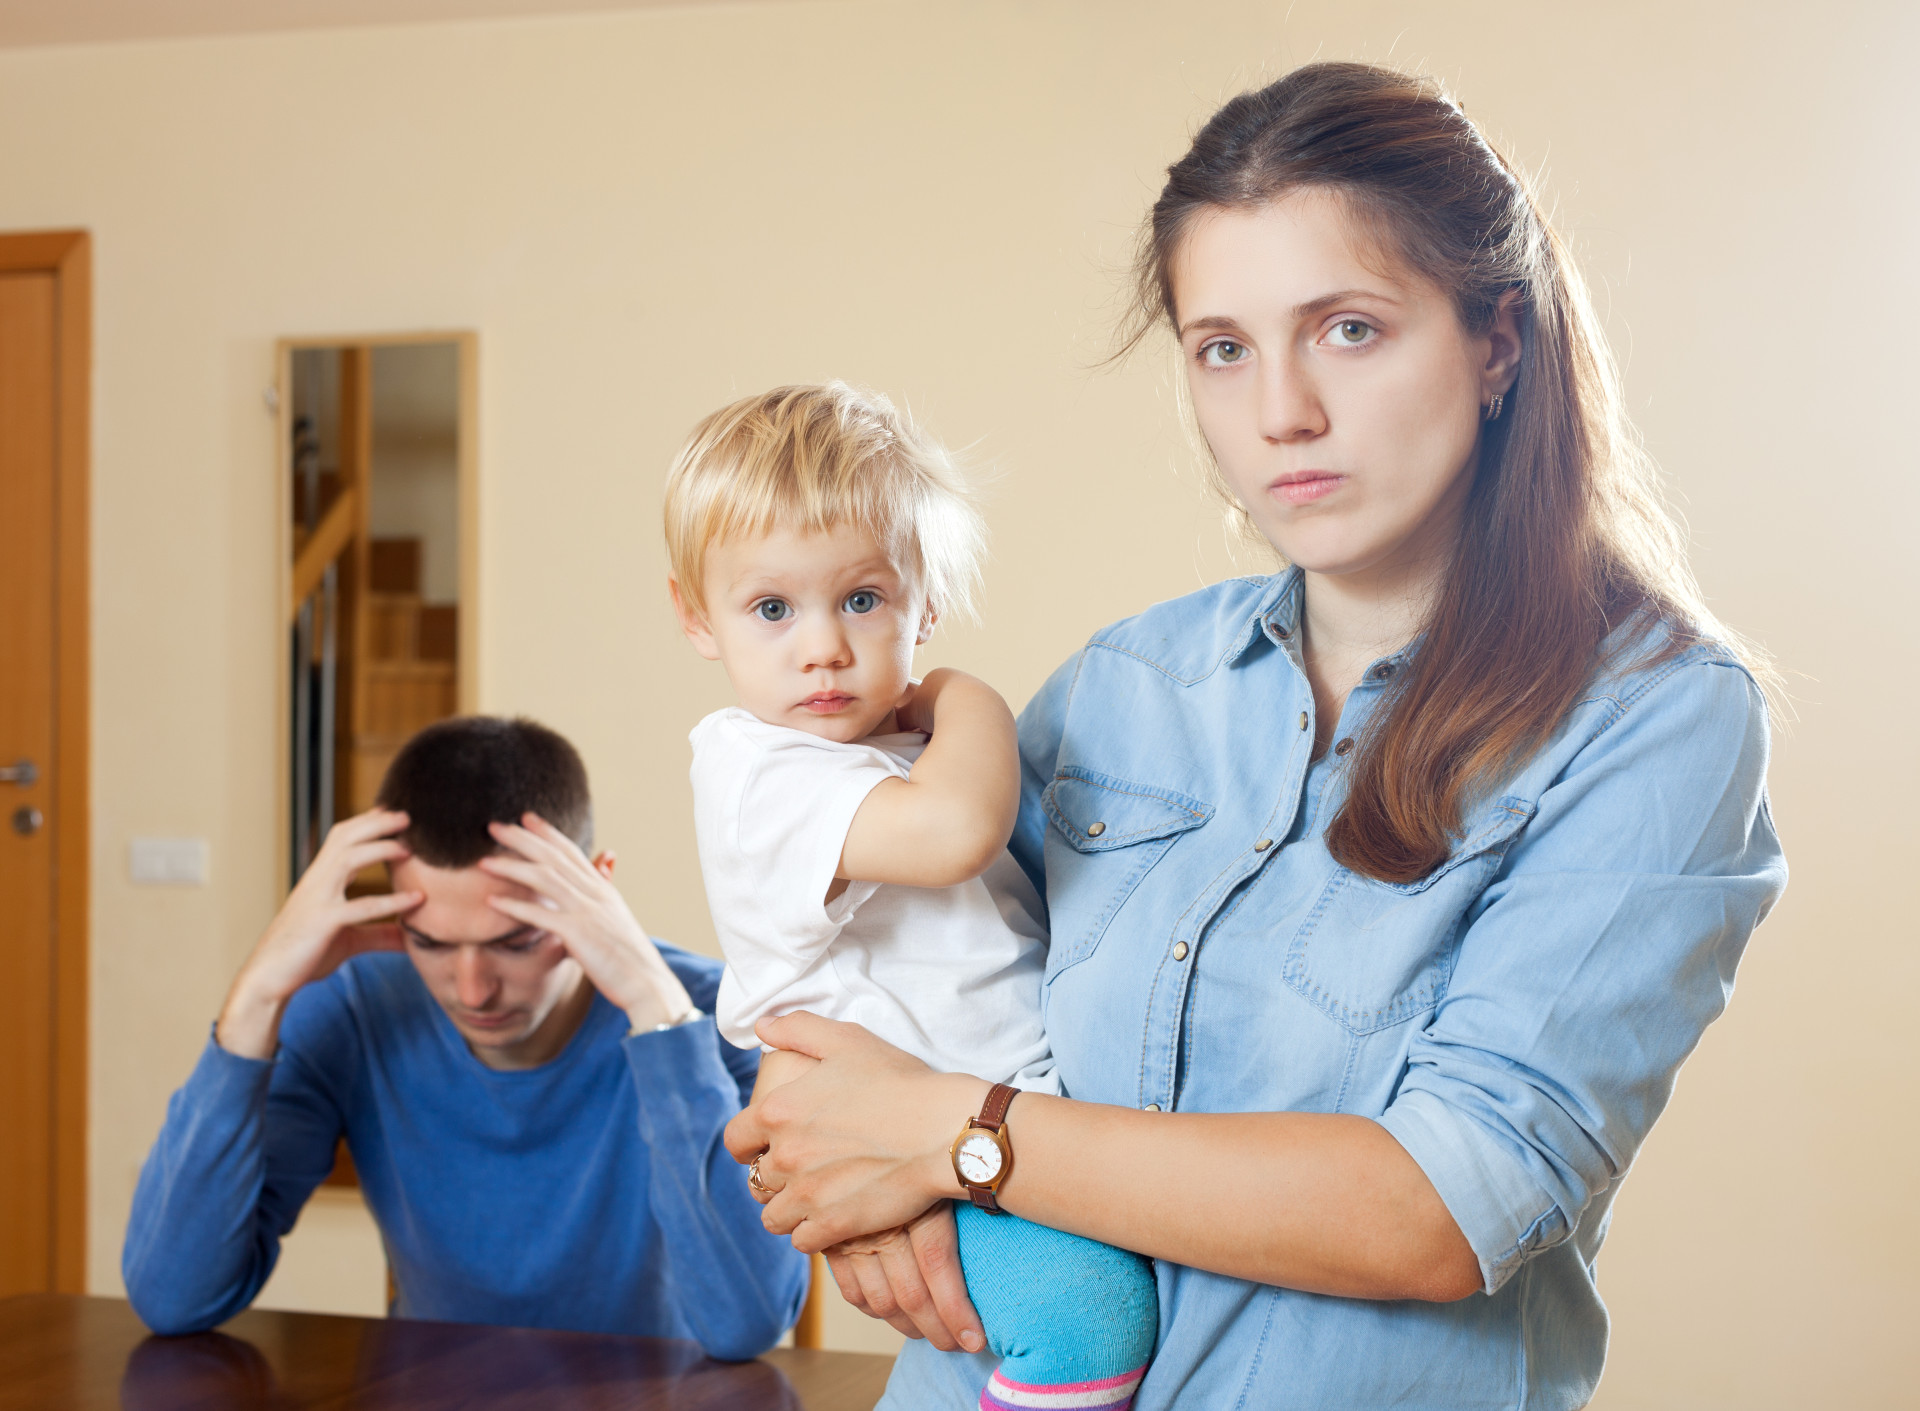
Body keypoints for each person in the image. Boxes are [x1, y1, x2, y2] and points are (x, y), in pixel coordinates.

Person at [722, 61, 1789, 1409]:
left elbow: (1444, 1205)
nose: (1280, 409)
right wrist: (857, 1200)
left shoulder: (1655, 716)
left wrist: (957, 1140)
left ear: (1498, 342)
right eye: (1222, 345)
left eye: (1348, 328)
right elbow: (875, 984)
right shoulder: (1127, 680)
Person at [665, 383, 1157, 1411]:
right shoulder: (758, 770)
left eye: (862, 599)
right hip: (926, 1155)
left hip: (999, 1135)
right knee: (1091, 1323)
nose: (823, 646)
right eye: (771, 608)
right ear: (695, 617)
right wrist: (964, 694)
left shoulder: (889, 756)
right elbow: (954, 832)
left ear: (923, 601)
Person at [124, 716, 807, 1358]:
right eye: (430, 942)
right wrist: (257, 997)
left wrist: (658, 1011)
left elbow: (747, 1320)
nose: (473, 988)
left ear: (595, 886)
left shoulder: (720, 1015)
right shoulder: (355, 1007)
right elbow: (174, 1296)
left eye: (516, 941)